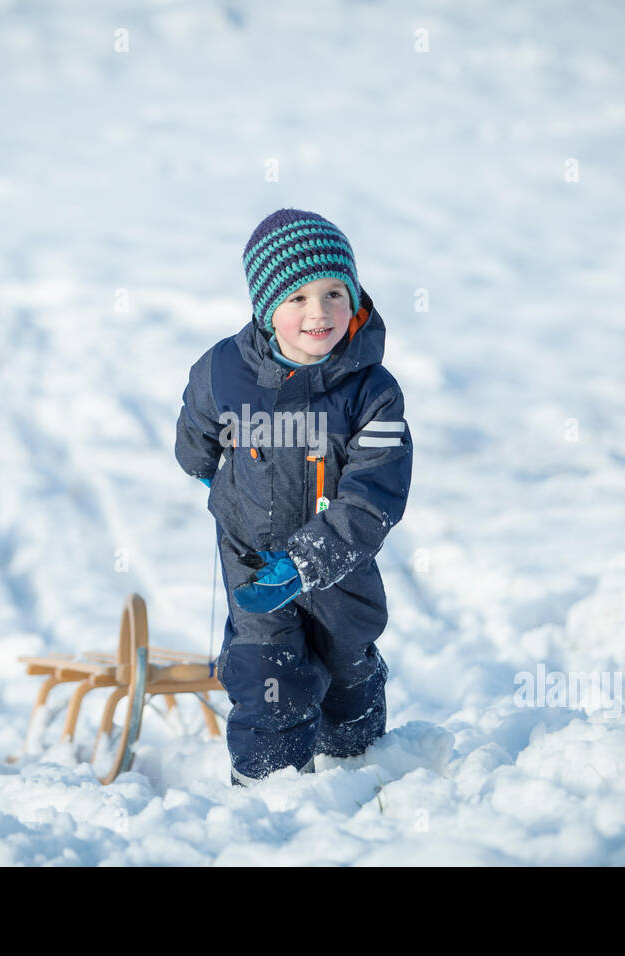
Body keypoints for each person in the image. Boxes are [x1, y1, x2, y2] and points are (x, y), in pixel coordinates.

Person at [174, 208, 412, 786]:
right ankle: (267, 794)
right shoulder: (224, 370)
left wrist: (308, 561)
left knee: (344, 669)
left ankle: (352, 768)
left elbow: (373, 493)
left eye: (335, 293)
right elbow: (196, 422)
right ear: (264, 305)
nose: (319, 313)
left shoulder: (371, 391)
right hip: (253, 560)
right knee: (266, 672)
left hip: (337, 569)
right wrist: (204, 469)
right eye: (297, 297)